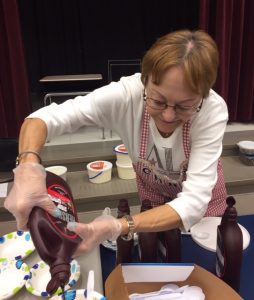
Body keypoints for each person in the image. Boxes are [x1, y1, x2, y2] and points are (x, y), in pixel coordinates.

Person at [4, 29, 228, 255]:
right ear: (145, 81)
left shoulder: (212, 111)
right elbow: (44, 119)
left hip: (205, 211)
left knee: (205, 262)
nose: (168, 116)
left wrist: (120, 225)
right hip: (154, 202)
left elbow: (193, 203)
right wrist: (27, 166)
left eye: (184, 106)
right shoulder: (126, 95)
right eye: (158, 101)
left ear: (203, 96)